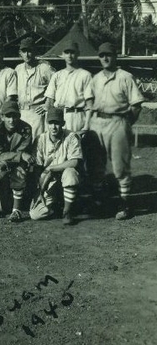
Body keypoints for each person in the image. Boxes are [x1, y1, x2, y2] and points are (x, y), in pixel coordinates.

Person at [89, 42, 144, 220]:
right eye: (102, 55)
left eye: (109, 55)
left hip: (118, 120)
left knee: (120, 167)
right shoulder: (95, 78)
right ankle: (98, 203)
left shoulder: (125, 76)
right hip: (97, 122)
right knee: (97, 166)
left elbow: (136, 105)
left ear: (115, 56)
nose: (105, 58)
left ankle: (125, 204)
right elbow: (89, 103)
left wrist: (127, 124)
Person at [30, 107, 83, 225]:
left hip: (64, 176)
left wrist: (51, 168)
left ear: (62, 123)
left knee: (70, 173)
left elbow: (74, 162)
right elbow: (38, 167)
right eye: (51, 123)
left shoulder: (71, 136)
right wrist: (39, 189)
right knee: (35, 214)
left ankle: (67, 211)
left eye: (57, 123)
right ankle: (56, 207)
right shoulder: (40, 139)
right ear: (47, 123)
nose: (54, 127)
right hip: (49, 180)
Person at [0, 100, 34, 222]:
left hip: (15, 164)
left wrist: (17, 157)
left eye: (14, 116)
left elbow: (23, 153)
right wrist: (20, 156)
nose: (11, 120)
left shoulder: (26, 129)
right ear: (2, 116)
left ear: (19, 115)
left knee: (20, 171)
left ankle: (16, 210)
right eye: (8, 116)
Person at [45, 41, 94, 133]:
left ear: (78, 53)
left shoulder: (85, 75)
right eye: (67, 53)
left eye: (72, 52)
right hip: (58, 116)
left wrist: (86, 126)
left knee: (75, 145)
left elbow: (89, 105)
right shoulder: (57, 75)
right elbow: (50, 101)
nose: (69, 55)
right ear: (62, 54)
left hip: (76, 116)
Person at [14, 38, 55, 140]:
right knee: (22, 143)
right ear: (20, 53)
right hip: (21, 113)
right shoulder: (18, 69)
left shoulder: (44, 68)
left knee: (37, 143)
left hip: (37, 113)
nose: (27, 54)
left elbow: (56, 85)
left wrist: (47, 104)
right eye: (24, 51)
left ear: (35, 51)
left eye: (30, 51)